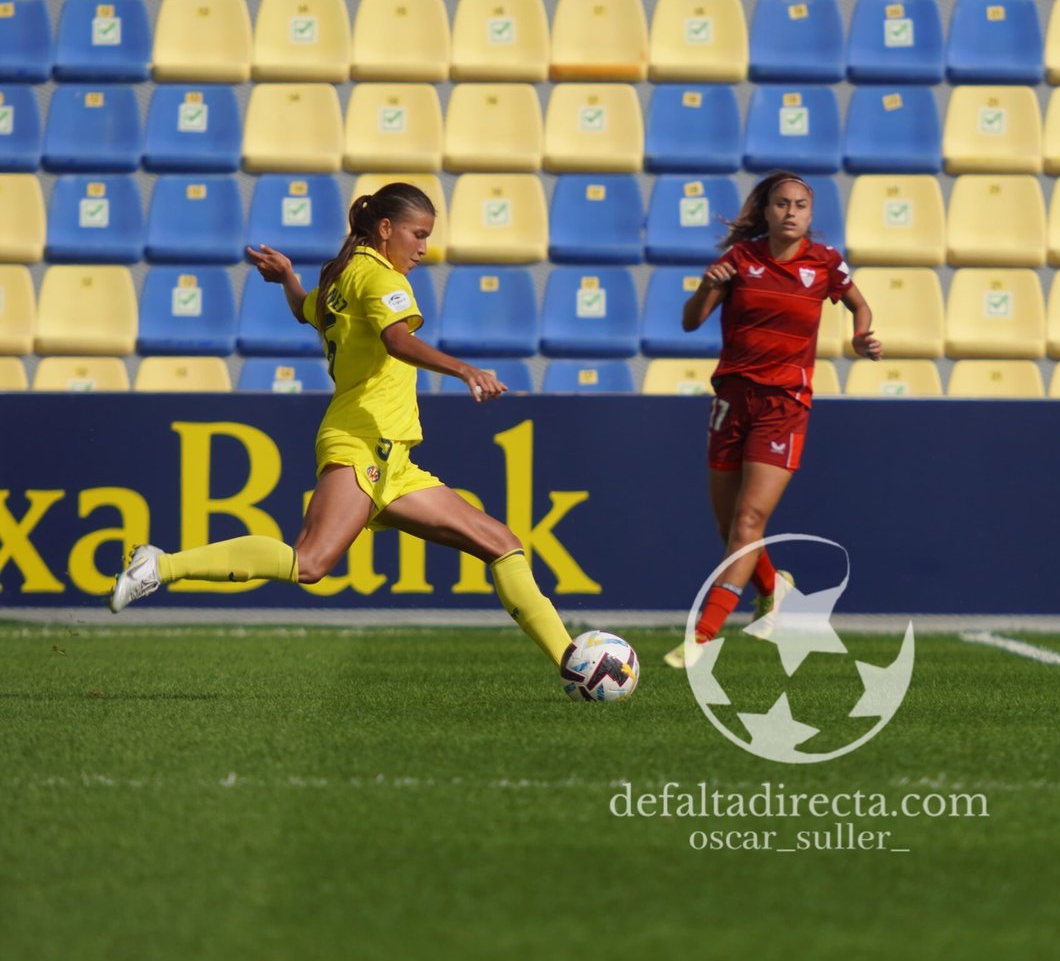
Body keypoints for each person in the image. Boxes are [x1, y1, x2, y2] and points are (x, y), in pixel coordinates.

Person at [108, 183, 573, 674]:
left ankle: (571, 661)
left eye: (428, 236)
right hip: (362, 442)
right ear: (386, 229)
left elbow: (306, 311)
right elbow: (396, 340)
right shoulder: (378, 278)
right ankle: (160, 565)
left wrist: (288, 277)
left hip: (391, 459)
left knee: (501, 542)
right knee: (309, 562)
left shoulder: (342, 275)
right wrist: (464, 370)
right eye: (417, 234)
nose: (423, 247)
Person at [665, 171, 883, 668]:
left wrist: (861, 335)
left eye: (801, 205)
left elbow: (859, 304)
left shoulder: (824, 264)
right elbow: (689, 320)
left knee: (748, 520)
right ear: (765, 210)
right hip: (731, 402)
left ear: (811, 213)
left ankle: (701, 637)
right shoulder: (739, 261)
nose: (791, 212)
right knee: (731, 527)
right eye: (782, 203)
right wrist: (706, 287)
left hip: (784, 405)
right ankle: (774, 589)